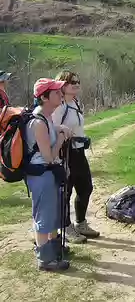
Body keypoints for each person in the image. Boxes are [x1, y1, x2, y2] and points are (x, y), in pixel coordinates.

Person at [26, 78, 73, 271]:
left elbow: (48, 132)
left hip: (47, 175)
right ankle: (45, 259)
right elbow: (48, 157)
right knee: (44, 216)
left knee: (52, 213)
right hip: (42, 175)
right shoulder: (38, 122)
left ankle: (54, 248)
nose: (60, 94)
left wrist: (58, 128)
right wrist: (61, 139)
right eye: (55, 92)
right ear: (44, 97)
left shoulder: (45, 117)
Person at [52, 71, 100, 244]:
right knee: (66, 191)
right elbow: (52, 127)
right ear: (62, 84)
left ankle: (81, 223)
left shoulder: (76, 102)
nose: (76, 84)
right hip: (65, 153)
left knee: (86, 187)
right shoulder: (60, 104)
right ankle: (65, 227)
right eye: (72, 82)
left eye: (78, 81)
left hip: (79, 151)